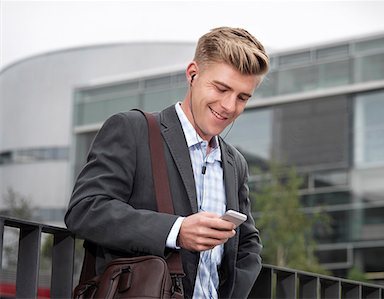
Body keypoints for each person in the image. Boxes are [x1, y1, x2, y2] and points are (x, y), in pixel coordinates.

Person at [65, 26, 270, 298]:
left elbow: (247, 245)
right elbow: (85, 209)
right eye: (221, 88)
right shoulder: (132, 129)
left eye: (242, 97)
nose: (229, 106)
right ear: (193, 74)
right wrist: (176, 231)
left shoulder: (235, 162)